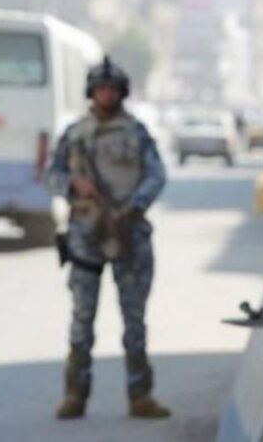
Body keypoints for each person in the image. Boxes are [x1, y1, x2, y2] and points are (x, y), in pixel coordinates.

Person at [46, 56, 170, 420]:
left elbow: (156, 174)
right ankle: (75, 393)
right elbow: (51, 174)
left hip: (127, 232)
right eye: (101, 88)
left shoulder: (136, 132)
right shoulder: (75, 134)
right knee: (82, 317)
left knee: (134, 318)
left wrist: (134, 206)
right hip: (86, 235)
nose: (107, 94)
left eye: (113, 89)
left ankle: (140, 394)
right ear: (91, 92)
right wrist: (73, 184)